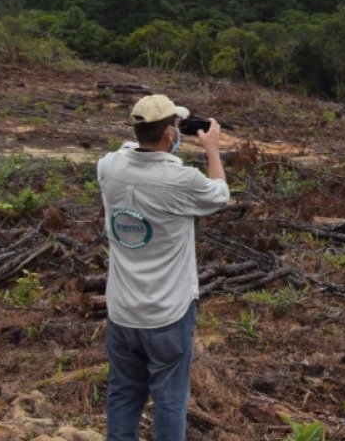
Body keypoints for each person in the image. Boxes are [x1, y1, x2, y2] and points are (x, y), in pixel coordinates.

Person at [98, 94, 230, 441]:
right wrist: (212, 149)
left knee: (124, 393)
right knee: (170, 398)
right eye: (176, 126)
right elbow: (219, 194)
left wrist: (155, 135)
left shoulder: (109, 167)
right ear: (172, 134)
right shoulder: (181, 179)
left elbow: (130, 149)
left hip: (122, 311)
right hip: (167, 313)